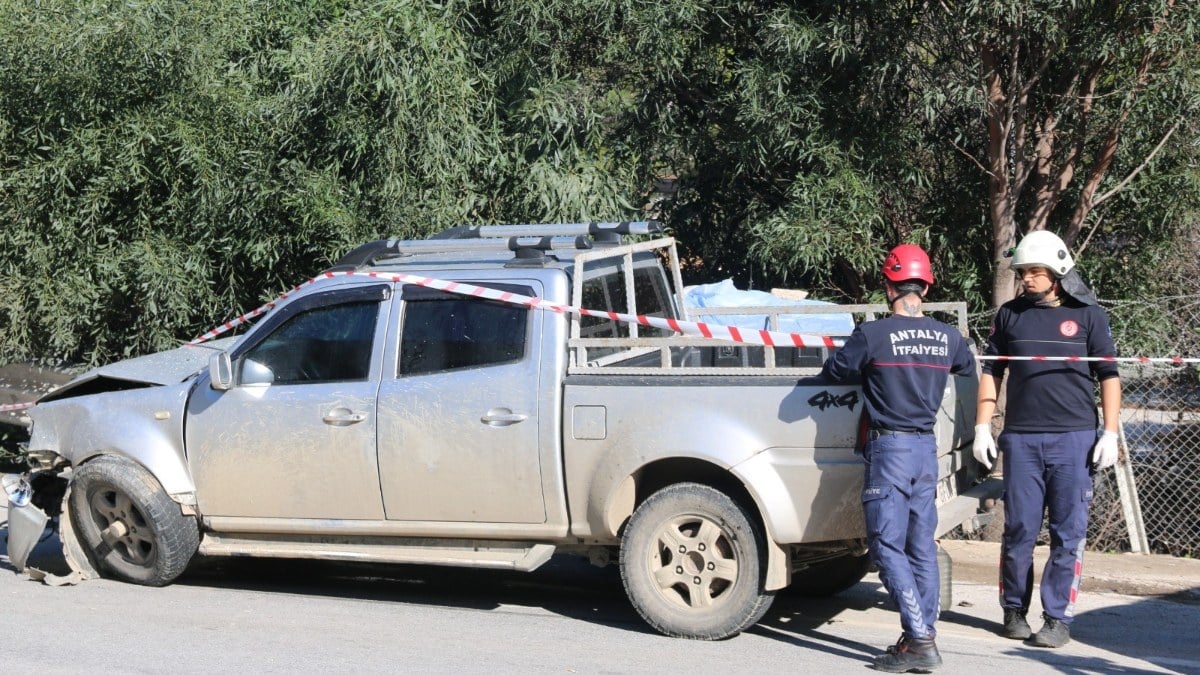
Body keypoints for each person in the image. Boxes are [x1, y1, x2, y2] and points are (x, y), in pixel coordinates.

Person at [823, 244, 976, 673]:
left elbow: (835, 371)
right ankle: (919, 636)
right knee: (920, 546)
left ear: (888, 285)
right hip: (925, 450)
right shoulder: (949, 337)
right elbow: (966, 367)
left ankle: (921, 639)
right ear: (925, 286)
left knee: (887, 546)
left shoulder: (873, 334)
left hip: (889, 450)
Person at [973, 229, 1122, 649]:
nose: (1026, 279)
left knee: (1067, 532)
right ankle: (1013, 609)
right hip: (1020, 439)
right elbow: (992, 370)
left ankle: (1057, 617)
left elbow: (1109, 375)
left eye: (1035, 271)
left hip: (1073, 439)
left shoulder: (1089, 315)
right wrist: (983, 425)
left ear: (1057, 272)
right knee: (1018, 528)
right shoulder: (1009, 315)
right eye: (1022, 272)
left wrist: (1109, 432)